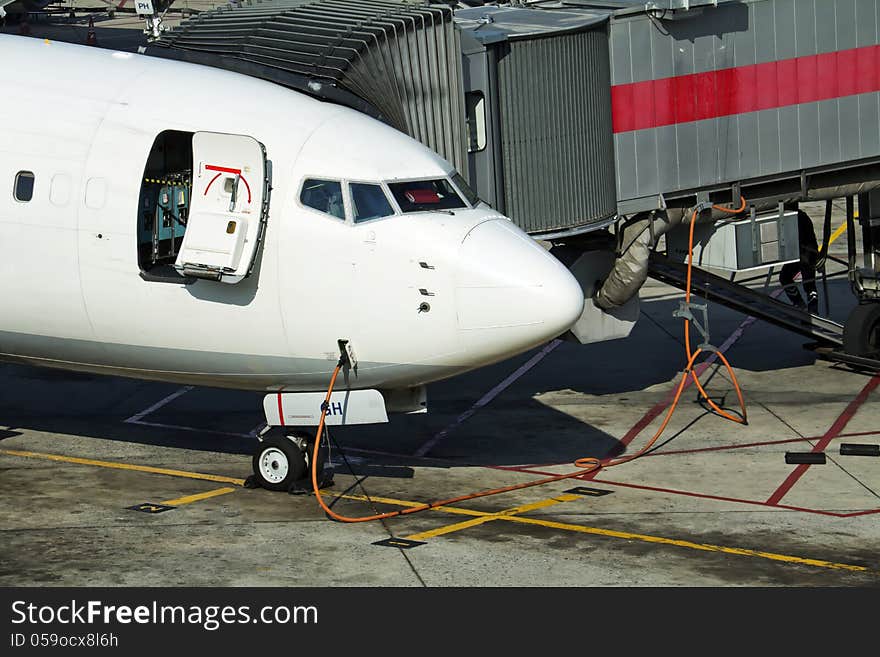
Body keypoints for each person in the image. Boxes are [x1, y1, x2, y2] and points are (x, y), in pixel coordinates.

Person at [780, 206, 819, 315]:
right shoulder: (800, 217)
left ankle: (810, 309)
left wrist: (807, 255)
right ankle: (801, 305)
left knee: (808, 283)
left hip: (806, 253)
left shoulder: (798, 218)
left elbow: (807, 240)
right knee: (785, 277)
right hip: (800, 254)